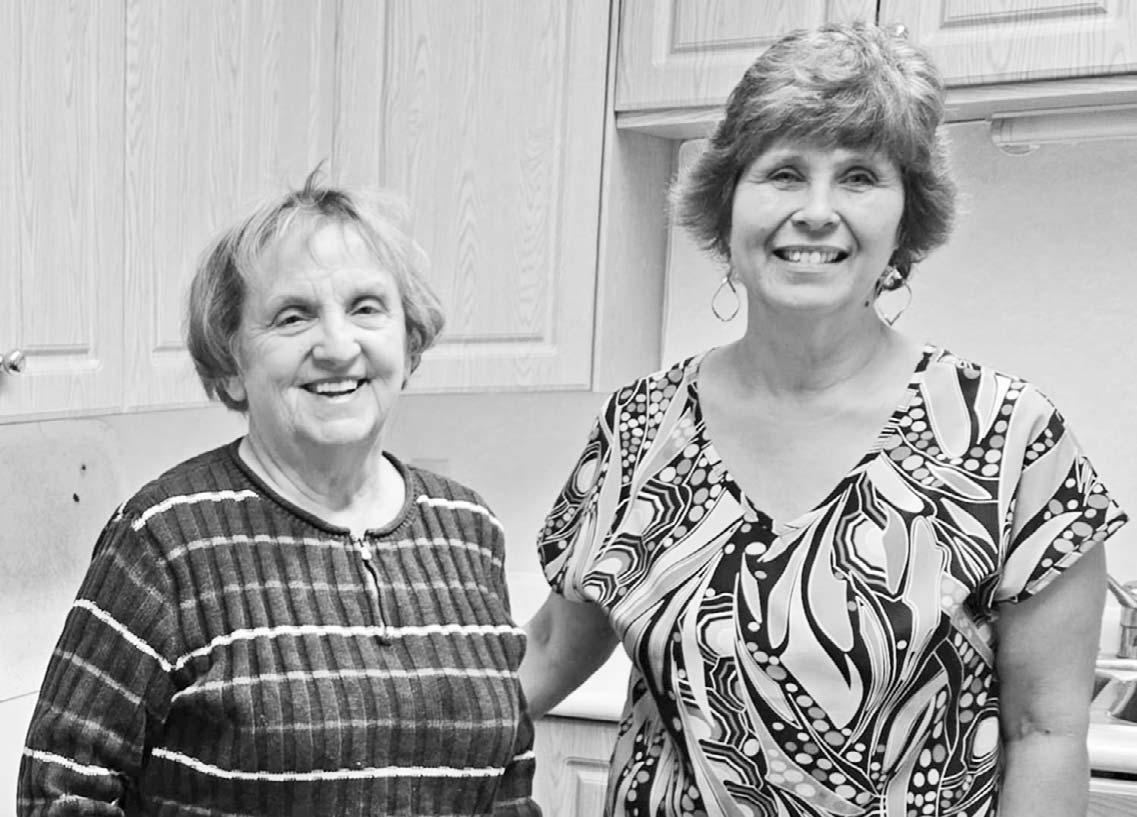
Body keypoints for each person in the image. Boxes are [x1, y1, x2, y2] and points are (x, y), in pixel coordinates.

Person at [520, 21, 1127, 817]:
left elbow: (1043, 729)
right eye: (782, 173)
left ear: (906, 219)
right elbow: (552, 646)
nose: (815, 211)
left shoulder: (1008, 437)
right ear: (725, 205)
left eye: (858, 177)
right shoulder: (639, 428)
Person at [18, 171, 539, 816]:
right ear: (231, 364)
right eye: (293, 317)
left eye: (366, 308)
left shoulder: (469, 530)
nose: (337, 346)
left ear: (409, 343)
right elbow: (61, 790)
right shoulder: (165, 540)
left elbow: (507, 787)